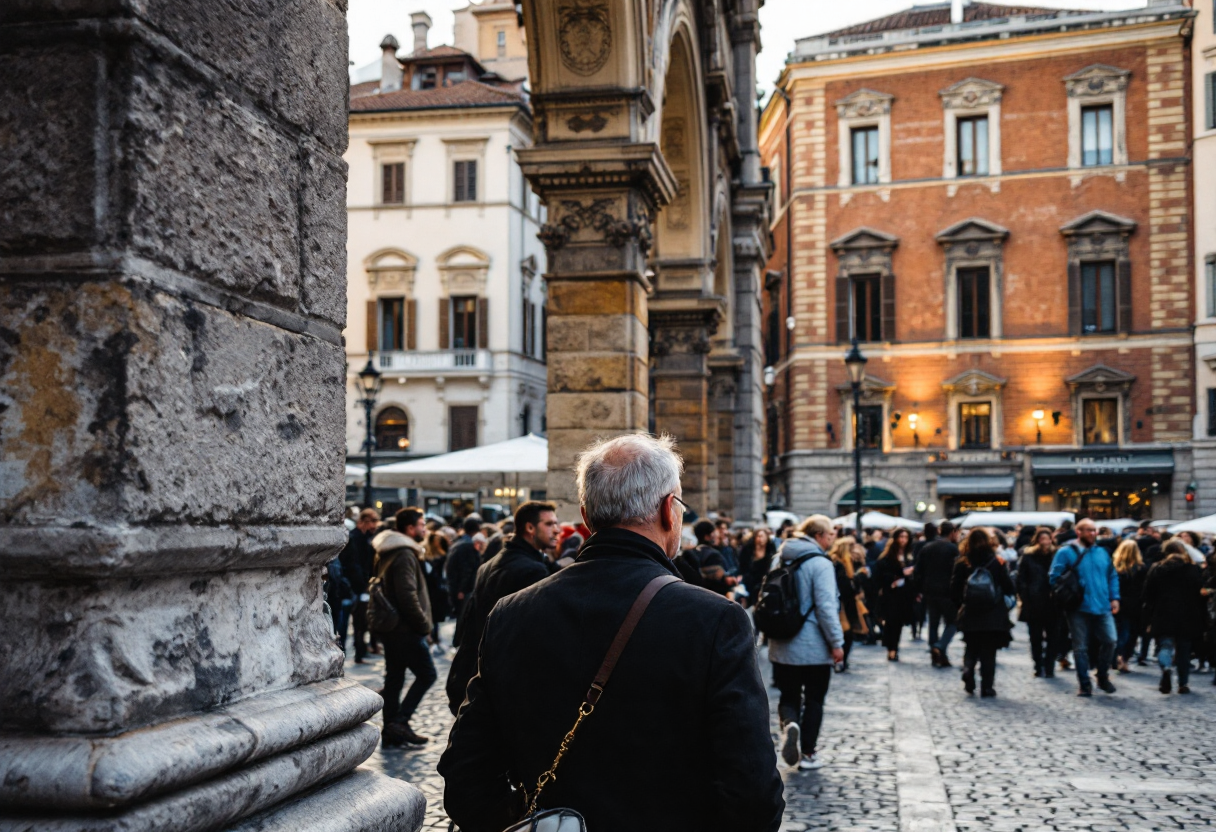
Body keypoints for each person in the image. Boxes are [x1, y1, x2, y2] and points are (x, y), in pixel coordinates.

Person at [438, 434, 784, 832]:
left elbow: (466, 774)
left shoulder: (511, 612)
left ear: (586, 517)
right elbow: (753, 794)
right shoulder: (716, 619)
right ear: (670, 510)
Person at [446, 501, 560, 715]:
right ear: (530, 528)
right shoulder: (530, 571)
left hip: (477, 675)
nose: (557, 529)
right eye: (550, 524)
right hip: (503, 684)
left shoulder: (491, 563)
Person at [768, 515, 845, 772]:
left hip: (782, 642)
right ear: (820, 535)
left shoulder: (780, 556)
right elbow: (826, 607)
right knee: (814, 699)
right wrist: (837, 642)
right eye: (830, 536)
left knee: (788, 696)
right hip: (814, 645)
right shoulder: (820, 563)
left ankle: (790, 724)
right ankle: (809, 754)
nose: (831, 540)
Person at [371, 507, 437, 746]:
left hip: (393, 627)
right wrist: (423, 625)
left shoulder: (390, 550)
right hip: (405, 628)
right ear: (410, 528)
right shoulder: (404, 554)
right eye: (422, 525)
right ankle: (400, 721)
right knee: (428, 674)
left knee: (395, 678)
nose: (425, 530)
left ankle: (391, 729)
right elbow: (407, 595)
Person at [1049, 517, 1120, 697]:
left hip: (1102, 605)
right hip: (1078, 606)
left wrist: (1114, 597)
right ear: (1079, 532)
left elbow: (1112, 575)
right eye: (1089, 530)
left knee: (1110, 641)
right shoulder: (1065, 552)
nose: (1093, 533)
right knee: (1080, 646)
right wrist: (1072, 588)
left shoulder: (1102, 552)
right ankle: (1084, 683)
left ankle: (1102, 675)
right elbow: (1054, 577)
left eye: (1094, 530)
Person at [950, 528, 1015, 697]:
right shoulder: (997, 562)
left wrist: (961, 605)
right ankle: (987, 687)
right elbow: (1009, 587)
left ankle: (968, 670)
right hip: (993, 613)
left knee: (971, 647)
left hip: (971, 612)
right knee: (989, 652)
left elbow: (954, 590)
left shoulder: (962, 562)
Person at [1142, 540, 1207, 694]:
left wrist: (1148, 618)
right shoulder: (1192, 569)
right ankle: (1183, 683)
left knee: (1165, 646)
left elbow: (1147, 595)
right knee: (1184, 650)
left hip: (1162, 613)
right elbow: (1200, 594)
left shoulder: (1156, 569)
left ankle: (1166, 668)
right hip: (1187, 614)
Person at [914, 521, 960, 668]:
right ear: (952, 532)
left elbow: (918, 571)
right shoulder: (953, 549)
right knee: (953, 622)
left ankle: (938, 654)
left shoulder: (927, 548)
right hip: (948, 591)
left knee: (933, 623)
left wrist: (918, 590)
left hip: (930, 591)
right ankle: (940, 646)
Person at [1016, 528, 1060, 678]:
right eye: (1042, 539)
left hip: (1053, 603)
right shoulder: (1028, 556)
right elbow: (1021, 578)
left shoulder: (1057, 555)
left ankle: (1049, 665)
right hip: (1033, 602)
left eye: (1047, 539)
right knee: (1035, 637)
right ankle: (1038, 664)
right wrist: (1025, 595)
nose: (1045, 542)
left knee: (1053, 637)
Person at [338, 508, 379, 662]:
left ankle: (360, 651)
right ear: (363, 521)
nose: (375, 525)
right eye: (372, 521)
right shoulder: (355, 537)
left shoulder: (367, 538)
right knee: (349, 623)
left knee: (361, 622)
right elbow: (353, 564)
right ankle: (347, 654)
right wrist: (362, 585)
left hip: (361, 585)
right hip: (354, 587)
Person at [873, 527, 916, 662]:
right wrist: (900, 575)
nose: (903, 540)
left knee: (899, 623)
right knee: (891, 622)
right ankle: (891, 648)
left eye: (905, 537)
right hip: (891, 594)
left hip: (905, 594)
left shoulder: (910, 554)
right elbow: (881, 573)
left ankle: (894, 648)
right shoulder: (888, 555)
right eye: (901, 537)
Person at [828, 536, 867, 671]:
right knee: (846, 633)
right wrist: (857, 580)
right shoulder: (838, 564)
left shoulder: (846, 562)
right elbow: (844, 586)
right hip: (841, 605)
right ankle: (840, 661)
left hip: (845, 604)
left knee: (847, 633)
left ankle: (841, 660)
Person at [1111, 539, 1147, 674]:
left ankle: (1116, 656)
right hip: (1136, 605)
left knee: (1120, 631)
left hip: (1118, 603)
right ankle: (1124, 658)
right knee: (1132, 633)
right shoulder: (1141, 568)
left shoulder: (1115, 568)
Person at [675, 519, 736, 595]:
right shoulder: (714, 555)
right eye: (714, 532)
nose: (717, 535)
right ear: (707, 537)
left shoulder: (689, 553)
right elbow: (718, 584)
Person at [445, 516, 483, 624]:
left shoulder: (458, 543)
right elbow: (467, 569)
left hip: (456, 587)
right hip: (464, 590)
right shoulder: (468, 546)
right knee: (463, 620)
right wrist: (462, 589)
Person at [422, 531, 450, 650]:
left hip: (434, 589)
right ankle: (432, 637)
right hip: (434, 589)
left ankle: (433, 637)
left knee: (434, 615)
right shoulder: (430, 557)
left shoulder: (434, 556)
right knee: (433, 615)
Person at [741, 528, 777, 608]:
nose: (760, 539)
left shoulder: (770, 549)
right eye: (758, 536)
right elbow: (743, 565)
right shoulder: (748, 550)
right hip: (750, 581)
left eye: (762, 536)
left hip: (764, 581)